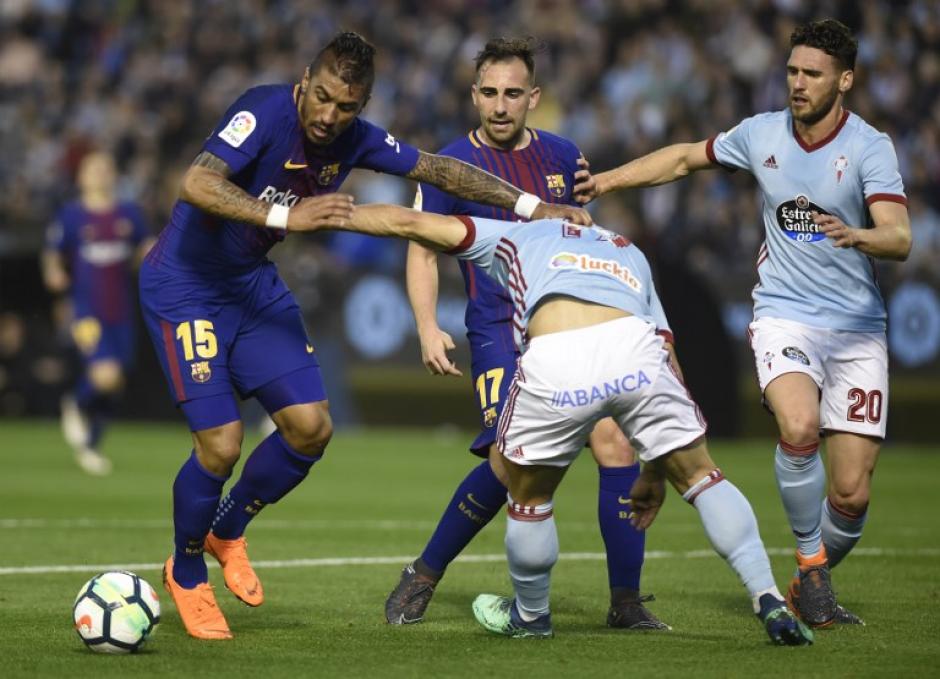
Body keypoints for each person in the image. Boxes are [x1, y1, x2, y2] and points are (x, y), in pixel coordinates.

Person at [139, 31, 589, 640]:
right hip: (185, 285)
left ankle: (227, 530)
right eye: (321, 97)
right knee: (220, 445)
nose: (328, 117)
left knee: (311, 429)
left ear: (363, 104)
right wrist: (285, 216)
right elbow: (196, 183)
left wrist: (537, 208)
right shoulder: (263, 109)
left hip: (249, 286)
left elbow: (440, 169)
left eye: (346, 107)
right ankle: (187, 572)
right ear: (305, 79)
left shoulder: (356, 138)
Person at [296, 201, 814, 646]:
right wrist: (656, 473)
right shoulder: (629, 250)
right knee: (703, 476)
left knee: (528, 495)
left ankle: (531, 616)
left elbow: (410, 223)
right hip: (635, 351)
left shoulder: (519, 234)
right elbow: (666, 356)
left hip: (558, 354)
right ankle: (768, 597)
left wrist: (335, 214)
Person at [582, 19, 912, 628]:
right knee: (798, 422)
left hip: (858, 328)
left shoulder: (870, 147)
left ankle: (810, 575)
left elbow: (899, 237)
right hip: (784, 315)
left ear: (845, 80)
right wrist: (607, 179)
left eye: (812, 74)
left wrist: (858, 234)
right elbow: (683, 159)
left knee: (851, 494)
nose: (798, 83)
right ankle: (811, 562)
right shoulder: (761, 133)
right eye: (791, 71)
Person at [386, 37, 665, 630]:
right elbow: (423, 249)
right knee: (510, 463)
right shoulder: (448, 165)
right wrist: (427, 326)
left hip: (568, 329)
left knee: (615, 443)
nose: (501, 105)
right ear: (474, 95)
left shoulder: (565, 157)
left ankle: (626, 603)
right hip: (497, 331)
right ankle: (425, 572)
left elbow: (585, 240)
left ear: (533, 97)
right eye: (489, 92)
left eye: (513, 93)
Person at [41, 151, 155, 476]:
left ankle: (90, 445)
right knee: (104, 374)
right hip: (86, 310)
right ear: (81, 176)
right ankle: (76, 403)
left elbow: (144, 248)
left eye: (106, 168)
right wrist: (53, 272)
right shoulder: (71, 215)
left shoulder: (129, 213)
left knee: (115, 382)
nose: (100, 174)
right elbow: (52, 253)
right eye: (94, 169)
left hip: (121, 309)